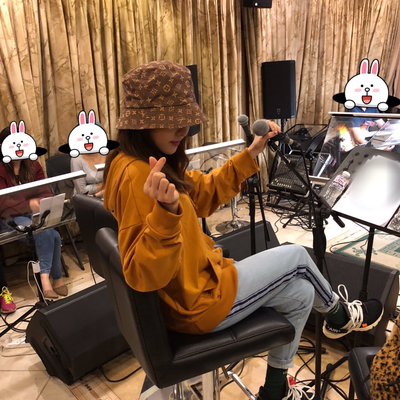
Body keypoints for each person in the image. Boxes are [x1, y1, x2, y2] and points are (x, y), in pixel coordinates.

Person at [103, 61, 383, 400]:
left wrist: (250, 154)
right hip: (196, 303)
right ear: (142, 123)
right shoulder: (137, 176)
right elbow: (142, 274)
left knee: (301, 294)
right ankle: (341, 316)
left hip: (202, 283)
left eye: (185, 121)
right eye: (171, 122)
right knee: (296, 256)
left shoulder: (144, 161)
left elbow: (202, 194)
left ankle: (276, 391)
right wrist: (165, 214)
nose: (182, 130)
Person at [0, 127, 68, 300]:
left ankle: (50, 279)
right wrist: (28, 203)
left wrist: (37, 202)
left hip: (33, 213)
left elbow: (45, 191)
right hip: (10, 218)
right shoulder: (0, 169)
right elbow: (3, 204)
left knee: (51, 233)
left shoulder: (33, 164)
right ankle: (52, 279)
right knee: (46, 233)